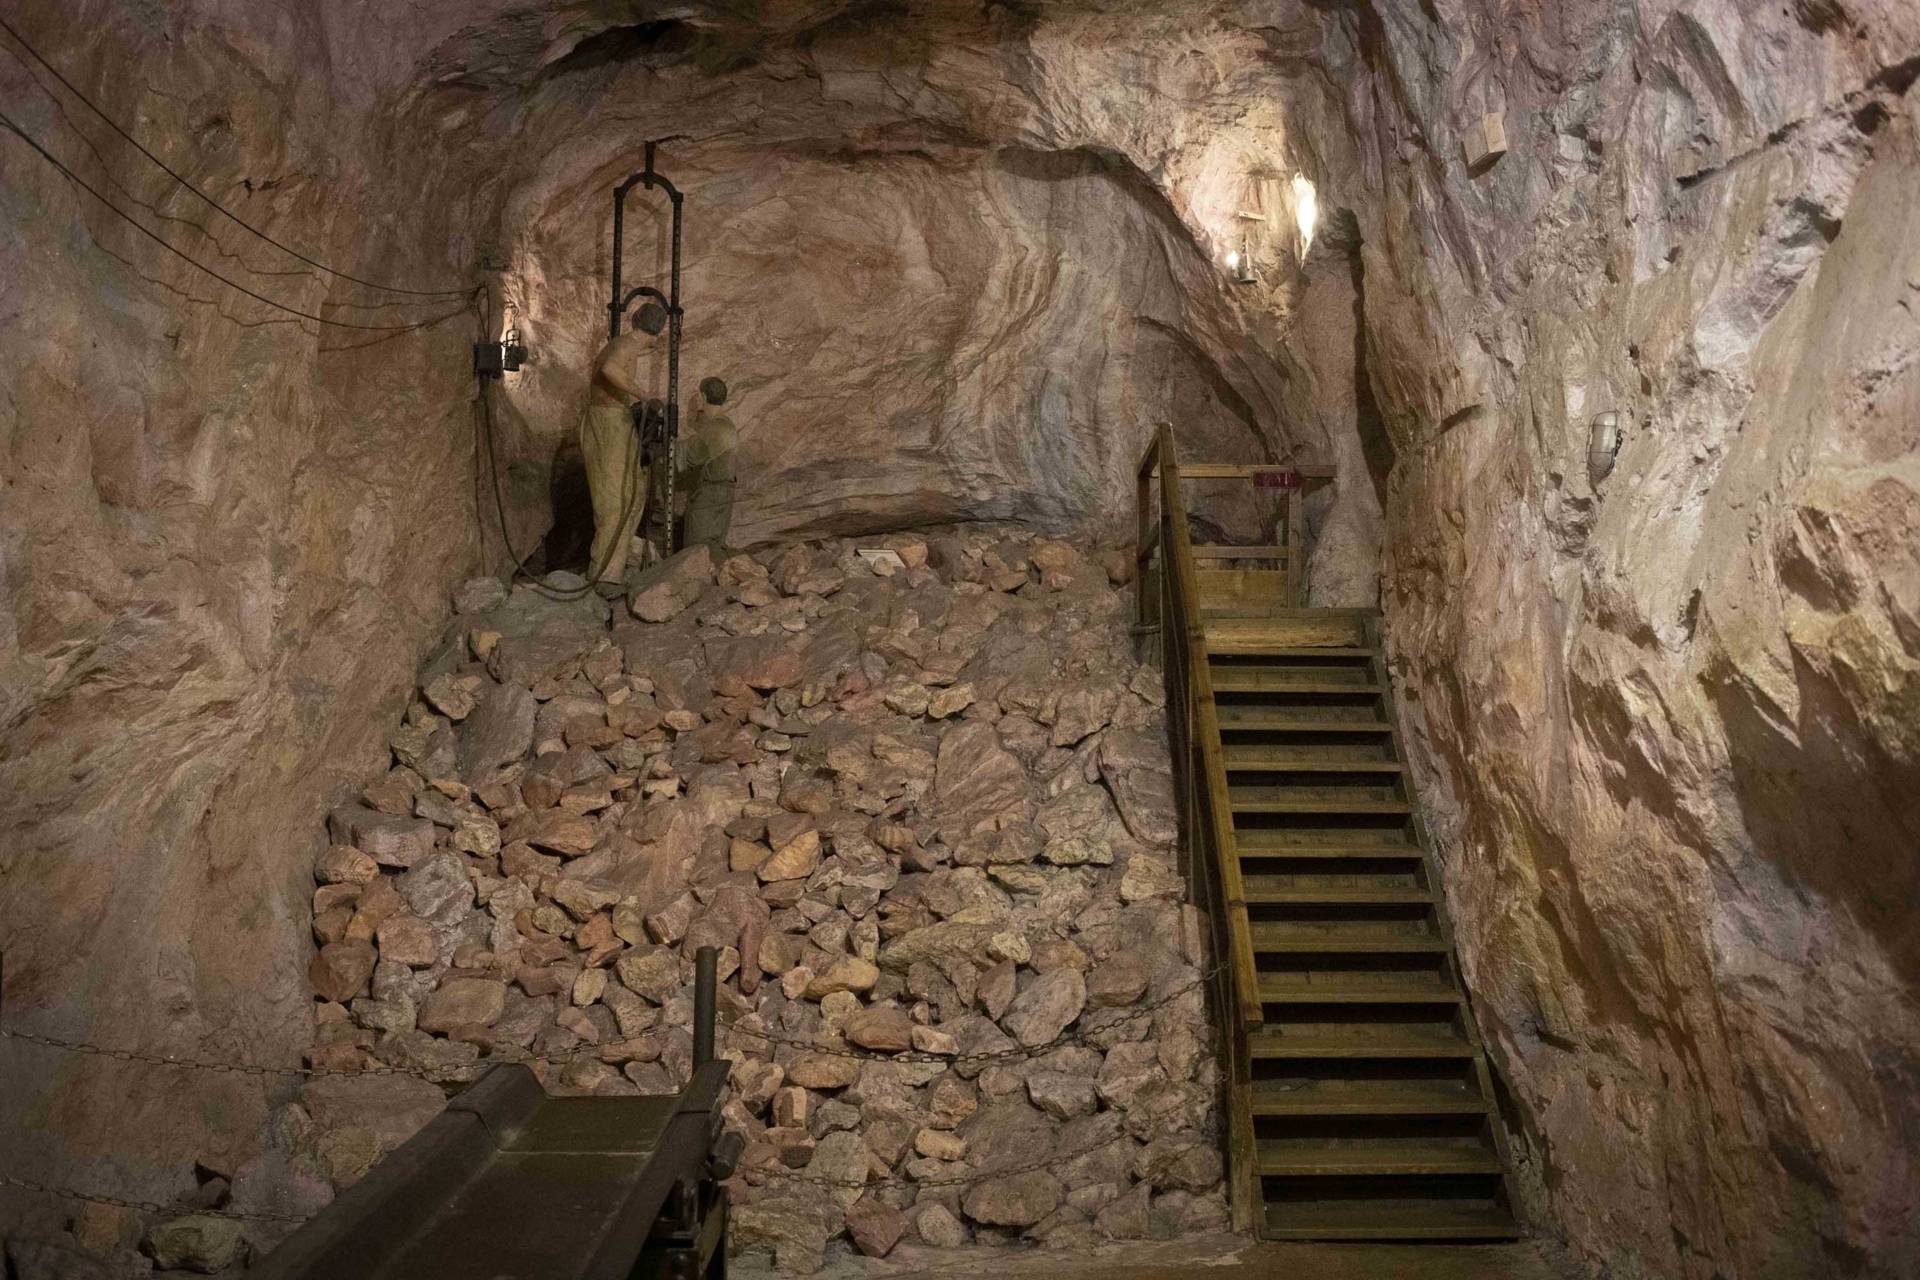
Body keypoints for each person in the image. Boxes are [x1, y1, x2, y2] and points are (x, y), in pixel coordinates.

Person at [580, 302, 666, 589]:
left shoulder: (624, 342)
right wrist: (644, 395)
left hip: (615, 422)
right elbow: (609, 369)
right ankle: (604, 573)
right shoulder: (628, 344)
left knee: (633, 493)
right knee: (615, 501)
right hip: (608, 423)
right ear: (656, 332)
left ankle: (615, 567)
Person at [677, 376, 738, 550]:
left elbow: (688, 456)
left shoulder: (715, 428)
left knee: (697, 550)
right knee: (714, 547)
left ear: (703, 397)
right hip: (722, 495)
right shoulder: (728, 425)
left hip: (709, 498)